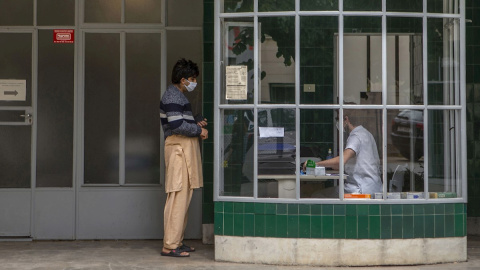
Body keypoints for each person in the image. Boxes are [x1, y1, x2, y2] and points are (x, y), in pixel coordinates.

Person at [159, 59, 208, 257]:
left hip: (183, 149)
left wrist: (195, 120)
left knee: (184, 196)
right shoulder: (173, 95)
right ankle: (170, 245)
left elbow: (178, 121)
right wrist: (198, 129)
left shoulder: (178, 96)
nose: (194, 82)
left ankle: (177, 241)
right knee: (178, 195)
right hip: (178, 149)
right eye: (192, 79)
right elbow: (177, 126)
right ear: (182, 79)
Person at [304, 110, 382, 197]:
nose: (337, 122)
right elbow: (341, 164)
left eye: (338, 119)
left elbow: (341, 161)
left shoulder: (356, 136)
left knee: (318, 195)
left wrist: (315, 164)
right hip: (373, 187)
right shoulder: (366, 133)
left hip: (360, 189)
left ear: (346, 119)